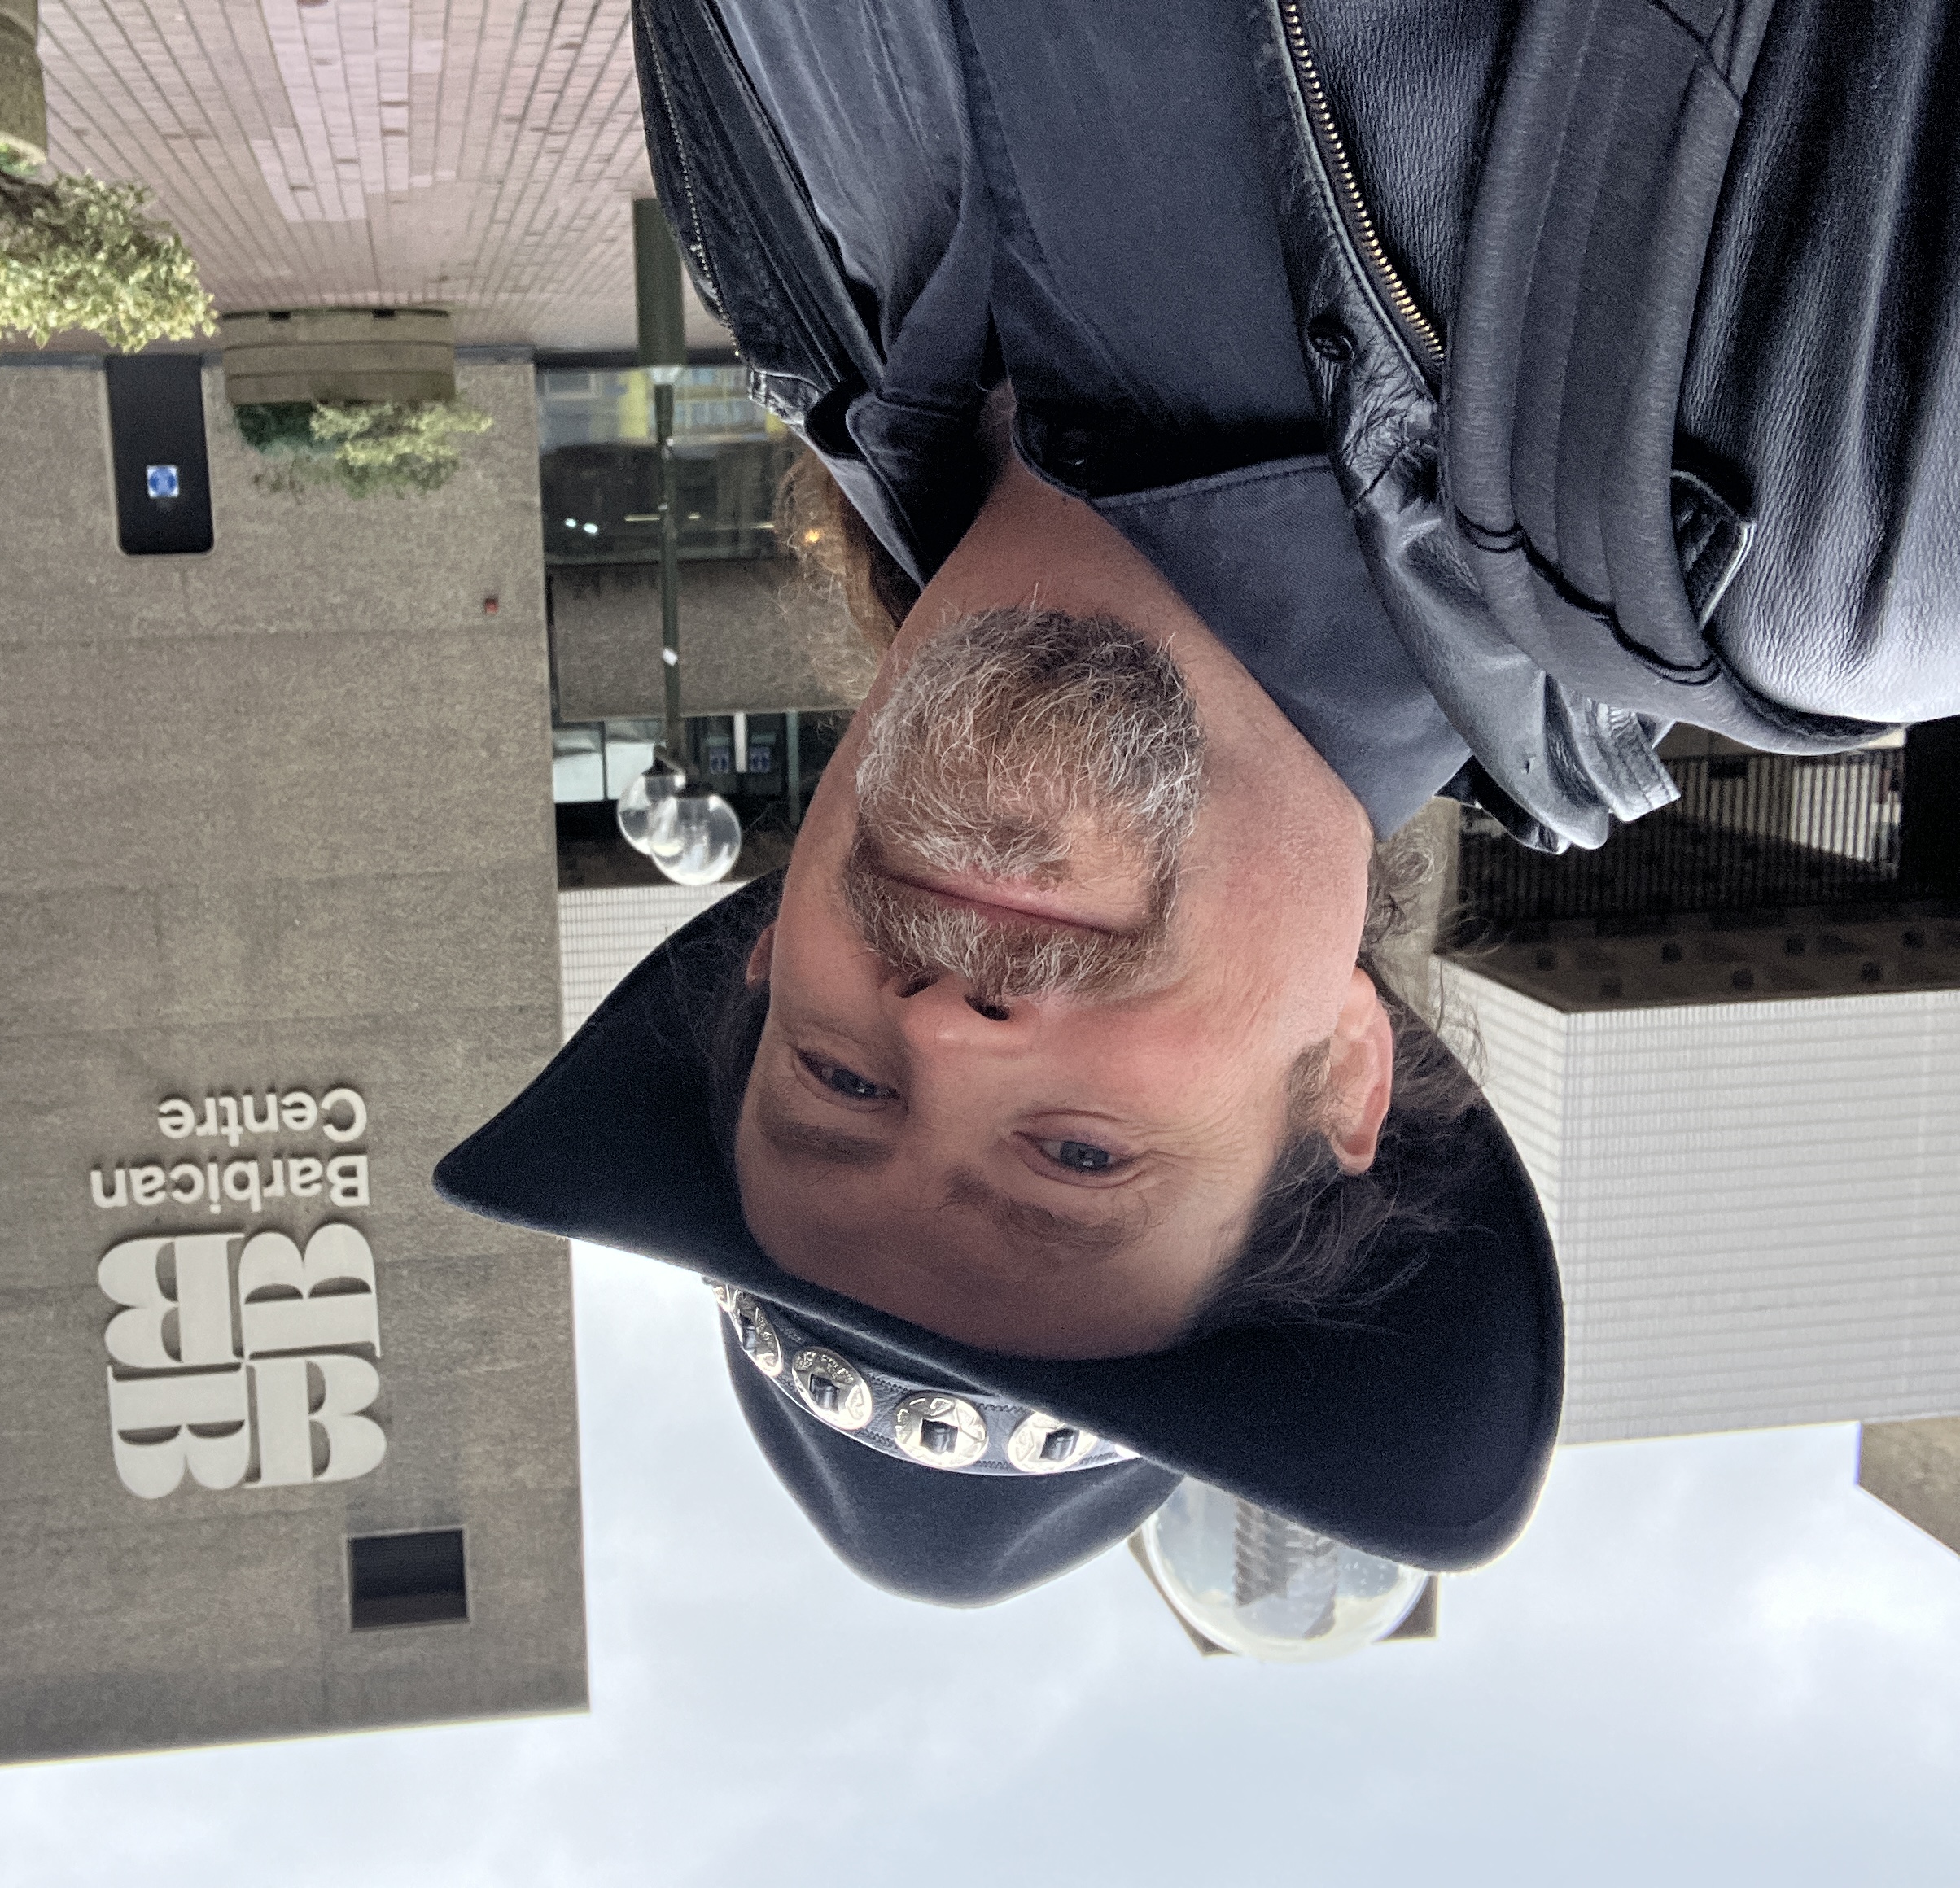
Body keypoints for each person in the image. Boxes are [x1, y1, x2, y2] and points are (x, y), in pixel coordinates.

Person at [444, 0, 1958, 1593]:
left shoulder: (782, 256)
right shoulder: (1834, 516)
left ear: (763, 956)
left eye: (836, 1080)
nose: (945, 1034)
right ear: (1344, 1080)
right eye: (1076, 1161)